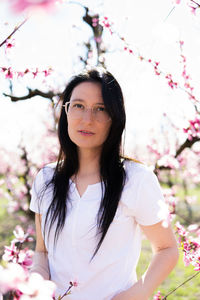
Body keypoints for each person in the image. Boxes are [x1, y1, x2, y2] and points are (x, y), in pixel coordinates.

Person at [29, 67, 179, 300]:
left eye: (100, 109)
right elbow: (42, 251)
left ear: (114, 118)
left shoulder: (136, 178)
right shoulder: (45, 179)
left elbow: (167, 249)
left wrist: (136, 294)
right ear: (66, 111)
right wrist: (35, 284)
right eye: (78, 105)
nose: (87, 119)